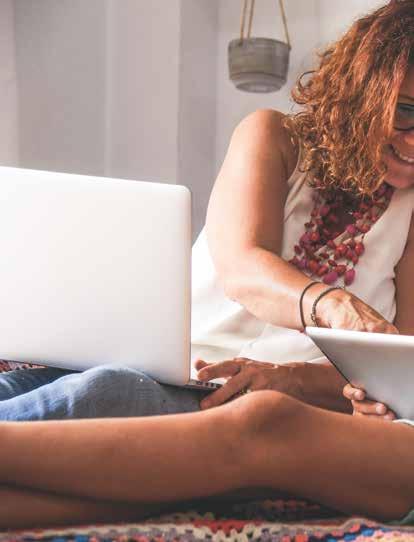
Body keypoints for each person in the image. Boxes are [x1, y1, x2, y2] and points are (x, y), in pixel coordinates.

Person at [1, 0, 414, 529]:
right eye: (405, 110)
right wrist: (333, 304)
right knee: (37, 387)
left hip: (260, 398)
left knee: (110, 392)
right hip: (185, 366)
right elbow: (243, 267)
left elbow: (398, 370)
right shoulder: (275, 137)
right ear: (364, 90)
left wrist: (292, 379)